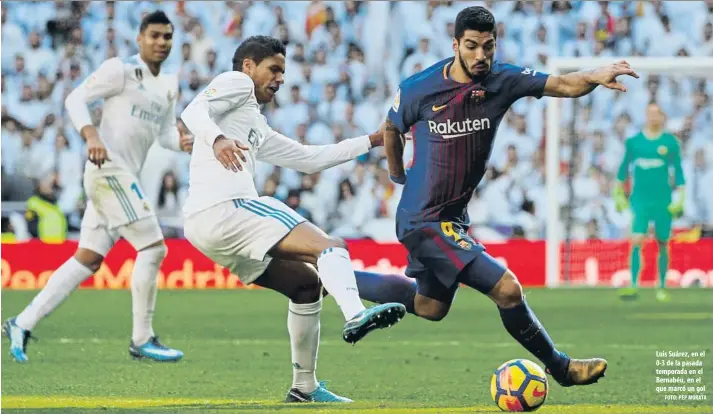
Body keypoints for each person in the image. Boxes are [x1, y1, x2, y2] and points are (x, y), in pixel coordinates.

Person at [359, 6, 640, 388]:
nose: (480, 56)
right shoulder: (419, 88)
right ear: (455, 44)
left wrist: (594, 74)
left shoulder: (503, 80)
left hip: (451, 219)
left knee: (430, 307)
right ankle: (562, 368)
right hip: (423, 220)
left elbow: (563, 85)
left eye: (488, 47)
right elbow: (391, 128)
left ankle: (330, 276)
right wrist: (396, 173)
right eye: (472, 46)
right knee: (508, 289)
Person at [180, 35, 406, 403]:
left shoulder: (254, 124)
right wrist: (219, 140)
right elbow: (192, 110)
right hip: (226, 207)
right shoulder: (236, 82)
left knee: (305, 285)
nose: (280, 78)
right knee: (330, 247)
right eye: (274, 69)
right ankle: (355, 314)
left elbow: (309, 158)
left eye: (283, 71)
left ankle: (304, 388)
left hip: (206, 226)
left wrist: (371, 140)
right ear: (249, 66)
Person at [4, 11, 192, 363]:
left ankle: (22, 321)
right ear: (139, 38)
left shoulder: (169, 83)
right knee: (154, 249)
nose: (161, 42)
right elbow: (75, 99)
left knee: (87, 260)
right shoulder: (120, 69)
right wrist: (90, 133)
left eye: (167, 36)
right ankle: (142, 338)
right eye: (154, 35)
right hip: (108, 172)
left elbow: (164, 132)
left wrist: (180, 140)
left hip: (123, 179)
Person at [614, 102, 685, 302]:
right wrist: (618, 194)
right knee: (636, 240)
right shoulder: (634, 142)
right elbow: (623, 171)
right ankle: (633, 285)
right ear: (646, 116)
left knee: (663, 242)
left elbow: (678, 172)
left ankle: (661, 286)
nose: (654, 117)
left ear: (662, 117)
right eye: (651, 113)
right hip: (640, 200)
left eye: (657, 114)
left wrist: (681, 197)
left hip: (663, 200)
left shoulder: (670, 143)